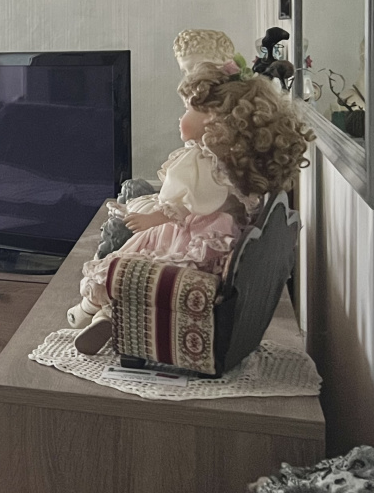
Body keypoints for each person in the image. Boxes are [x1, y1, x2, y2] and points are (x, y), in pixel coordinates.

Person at [68, 58, 314, 342]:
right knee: (136, 268)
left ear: (213, 118)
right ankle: (105, 318)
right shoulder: (227, 164)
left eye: (187, 110)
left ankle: (89, 312)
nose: (181, 117)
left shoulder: (205, 164)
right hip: (211, 229)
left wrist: (151, 219)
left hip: (190, 233)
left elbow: (186, 205)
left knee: (131, 269)